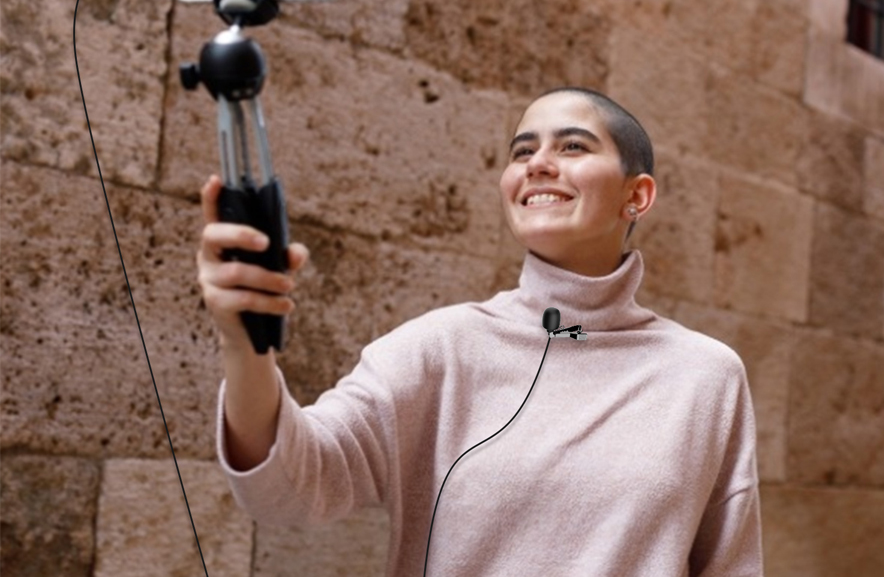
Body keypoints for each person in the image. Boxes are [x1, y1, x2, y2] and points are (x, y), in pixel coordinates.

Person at [196, 87, 764, 576]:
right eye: (523, 151)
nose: (538, 164)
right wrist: (243, 343)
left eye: (572, 146)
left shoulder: (705, 375)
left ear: (636, 196)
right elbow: (290, 487)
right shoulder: (438, 348)